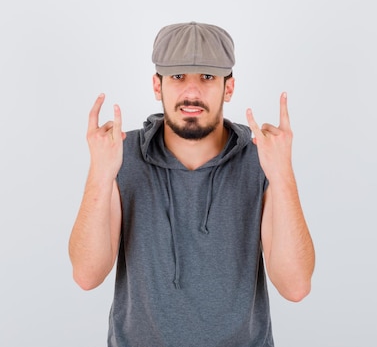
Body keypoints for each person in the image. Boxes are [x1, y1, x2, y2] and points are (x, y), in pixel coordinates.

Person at [69, 22, 315, 346]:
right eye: (178, 76)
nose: (192, 92)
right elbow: (87, 276)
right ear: (158, 86)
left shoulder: (262, 159)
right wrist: (101, 173)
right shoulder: (120, 156)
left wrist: (281, 174)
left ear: (229, 88)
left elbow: (295, 287)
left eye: (207, 77)